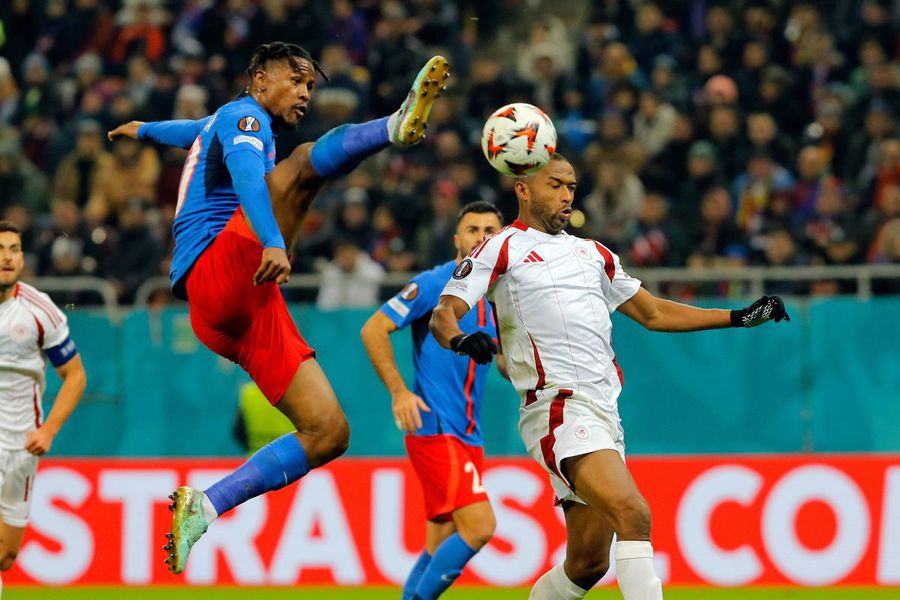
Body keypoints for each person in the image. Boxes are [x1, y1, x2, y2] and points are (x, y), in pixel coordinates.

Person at [107, 42, 450, 575]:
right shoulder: (247, 117)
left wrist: (144, 128)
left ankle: (208, 504)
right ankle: (392, 126)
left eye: (311, 85)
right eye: (297, 80)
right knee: (295, 171)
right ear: (260, 80)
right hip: (217, 273)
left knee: (329, 432)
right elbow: (247, 179)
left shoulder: (222, 121)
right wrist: (271, 239)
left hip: (237, 313)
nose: (306, 93)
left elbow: (189, 132)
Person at [428, 154, 789, 600]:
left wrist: (736, 316)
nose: (566, 195)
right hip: (557, 407)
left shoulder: (593, 253)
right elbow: (444, 314)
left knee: (588, 563)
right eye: (555, 185)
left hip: (603, 411)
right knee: (633, 512)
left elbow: (654, 312)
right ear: (522, 189)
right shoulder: (500, 247)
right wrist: (461, 340)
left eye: (572, 187)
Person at [360, 201, 507, 600]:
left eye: (490, 230)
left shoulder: (499, 297)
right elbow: (373, 329)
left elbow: (507, 365)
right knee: (479, 527)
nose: (482, 237)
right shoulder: (434, 284)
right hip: (437, 428)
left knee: (438, 543)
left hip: (468, 435)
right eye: (473, 230)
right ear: (457, 239)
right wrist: (399, 392)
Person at [0, 221, 87, 594]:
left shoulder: (40, 311)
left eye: (14, 249)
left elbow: (76, 376)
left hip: (20, 445)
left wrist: (48, 429)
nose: (6, 257)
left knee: (5, 556)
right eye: (0, 249)